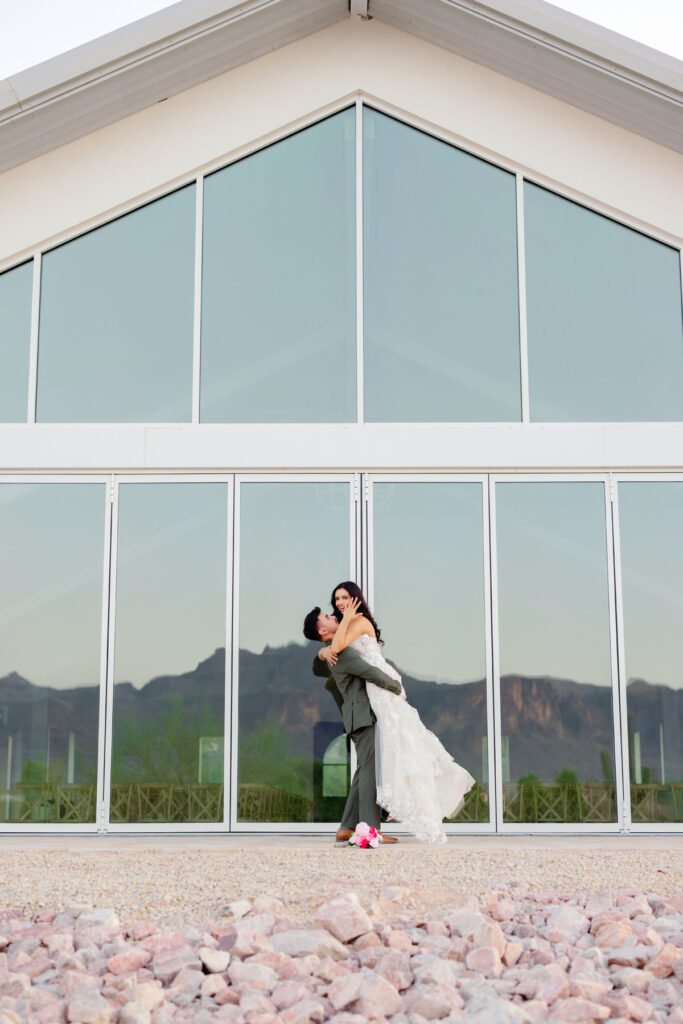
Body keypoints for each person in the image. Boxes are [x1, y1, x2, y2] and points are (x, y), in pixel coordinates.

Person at [315, 581, 476, 843]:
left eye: (345, 597)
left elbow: (338, 646)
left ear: (355, 598)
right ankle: (359, 827)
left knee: (396, 745)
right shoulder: (347, 623)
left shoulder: (358, 622)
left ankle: (364, 826)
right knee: (376, 758)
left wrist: (332, 640)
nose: (341, 603)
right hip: (374, 691)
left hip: (381, 685)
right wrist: (324, 650)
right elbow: (335, 648)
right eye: (337, 600)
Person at [303, 606, 401, 844]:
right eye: (327, 617)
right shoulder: (341, 654)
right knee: (368, 769)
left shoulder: (335, 652)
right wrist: (397, 686)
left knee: (363, 769)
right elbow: (370, 672)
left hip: (356, 715)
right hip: (362, 715)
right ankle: (370, 830)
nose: (333, 615)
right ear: (324, 630)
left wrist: (323, 652)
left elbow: (319, 669)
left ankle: (346, 827)